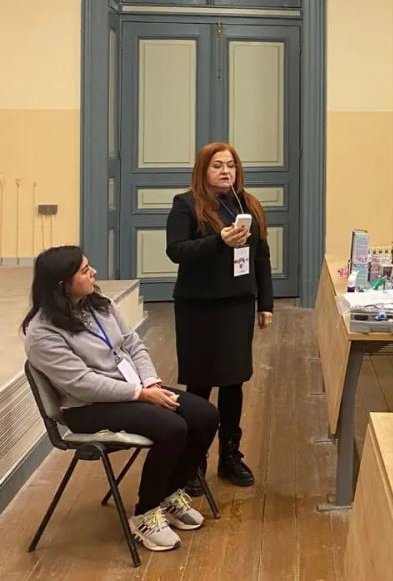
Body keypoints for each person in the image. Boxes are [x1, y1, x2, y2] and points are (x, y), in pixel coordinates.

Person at [22, 247, 219, 553]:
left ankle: (170, 494)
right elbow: (83, 385)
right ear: (63, 284)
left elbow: (133, 344)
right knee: (172, 427)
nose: (94, 273)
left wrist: (151, 381)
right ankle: (145, 514)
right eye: (85, 270)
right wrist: (141, 394)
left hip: (132, 389)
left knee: (205, 415)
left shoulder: (100, 305)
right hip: (86, 407)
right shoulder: (42, 333)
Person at [166, 142, 274, 490]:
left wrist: (266, 304)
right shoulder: (186, 205)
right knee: (199, 384)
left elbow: (260, 257)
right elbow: (176, 251)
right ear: (203, 170)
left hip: (237, 306)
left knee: (233, 381)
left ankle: (230, 455)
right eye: (217, 166)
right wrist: (219, 242)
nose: (226, 171)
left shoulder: (248, 204)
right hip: (199, 308)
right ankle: (194, 460)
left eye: (231, 165)